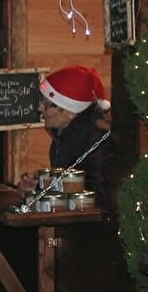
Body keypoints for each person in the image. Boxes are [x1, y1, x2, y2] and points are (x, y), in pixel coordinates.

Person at [17, 65, 114, 208]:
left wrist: (45, 191)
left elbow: (97, 196)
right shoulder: (63, 134)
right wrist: (40, 186)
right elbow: (70, 185)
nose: (40, 109)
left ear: (70, 111)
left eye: (46, 104)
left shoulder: (96, 140)